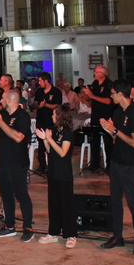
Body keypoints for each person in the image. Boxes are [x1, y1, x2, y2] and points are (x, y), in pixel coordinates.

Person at [99, 79, 134, 255]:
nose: (110, 96)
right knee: (115, 201)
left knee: (133, 202)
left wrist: (116, 131)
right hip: (116, 161)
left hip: (129, 164)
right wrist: (110, 131)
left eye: (112, 93)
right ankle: (117, 236)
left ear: (120, 94)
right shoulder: (118, 112)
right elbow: (116, 139)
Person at [0, 89, 34, 242]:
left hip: (17, 163)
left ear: (9, 100)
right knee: (6, 195)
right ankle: (9, 226)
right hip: (2, 162)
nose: (0, 100)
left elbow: (18, 137)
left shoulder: (23, 116)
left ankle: (28, 228)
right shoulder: (4, 115)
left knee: (22, 195)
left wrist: (1, 123)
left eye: (2, 98)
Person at [35, 104, 77, 248]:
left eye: (54, 114)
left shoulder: (68, 133)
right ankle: (53, 233)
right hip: (53, 171)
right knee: (53, 203)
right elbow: (49, 150)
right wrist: (44, 140)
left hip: (64, 173)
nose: (52, 116)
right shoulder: (55, 131)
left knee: (67, 204)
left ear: (60, 116)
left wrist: (50, 139)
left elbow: (62, 152)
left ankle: (70, 234)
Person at [82, 66, 113, 172]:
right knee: (94, 141)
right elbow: (91, 99)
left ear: (102, 73)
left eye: (96, 72)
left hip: (106, 116)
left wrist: (92, 96)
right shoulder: (95, 84)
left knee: (108, 142)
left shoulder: (109, 84)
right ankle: (95, 163)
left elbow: (109, 101)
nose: (94, 73)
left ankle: (110, 165)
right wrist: (87, 95)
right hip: (95, 116)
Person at [33, 71, 62, 175]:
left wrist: (46, 105)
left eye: (40, 81)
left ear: (46, 81)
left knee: (52, 142)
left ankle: (52, 165)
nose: (38, 83)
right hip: (41, 120)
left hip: (51, 122)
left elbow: (57, 106)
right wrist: (39, 106)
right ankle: (42, 166)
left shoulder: (56, 91)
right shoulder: (39, 91)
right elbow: (35, 103)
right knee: (41, 143)